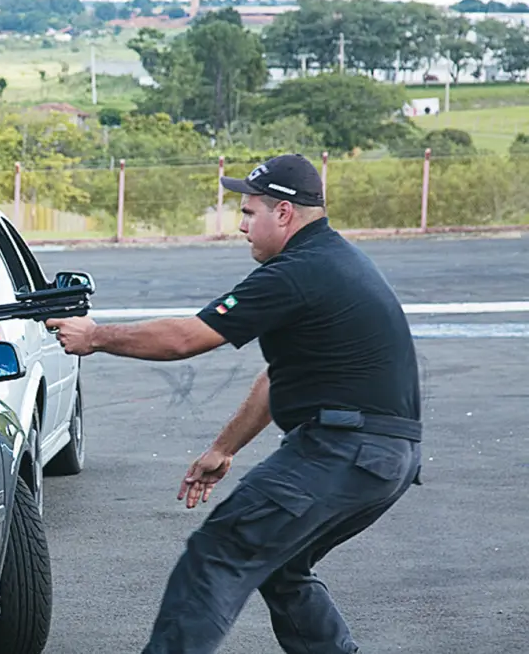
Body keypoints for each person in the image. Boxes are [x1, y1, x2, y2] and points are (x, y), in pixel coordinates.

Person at [45, 153, 423, 654]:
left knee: (217, 553)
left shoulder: (298, 271)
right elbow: (278, 377)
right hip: (385, 459)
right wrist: (223, 448)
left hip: (342, 450)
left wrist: (95, 336)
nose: (240, 227)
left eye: (249, 213)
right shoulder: (331, 261)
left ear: (283, 213)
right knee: (282, 566)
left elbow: (186, 338)